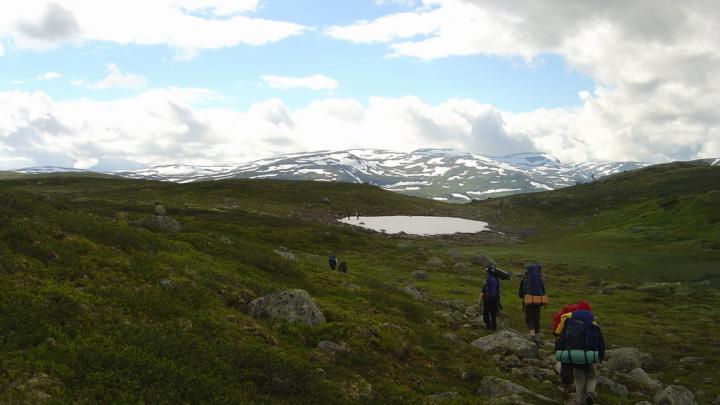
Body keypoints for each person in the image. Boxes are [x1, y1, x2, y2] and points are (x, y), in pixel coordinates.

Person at [555, 308, 605, 405]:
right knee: (592, 377)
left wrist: (560, 353)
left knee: (579, 378)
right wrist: (601, 357)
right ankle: (590, 394)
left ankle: (580, 400)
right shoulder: (592, 324)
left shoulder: (568, 323)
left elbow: (561, 339)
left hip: (573, 356)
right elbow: (600, 342)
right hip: (590, 356)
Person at [518, 263, 546, 340]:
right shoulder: (539, 280)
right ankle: (537, 336)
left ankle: (532, 335)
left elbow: (520, 294)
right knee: (536, 317)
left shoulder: (524, 281)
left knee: (529, 318)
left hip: (528, 302)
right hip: (537, 302)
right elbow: (543, 292)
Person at [481, 266, 501, 330]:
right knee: (493, 314)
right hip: (495, 299)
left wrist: (480, 300)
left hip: (488, 299)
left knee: (485, 313)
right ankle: (494, 328)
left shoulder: (488, 278)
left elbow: (484, 290)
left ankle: (488, 326)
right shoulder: (496, 278)